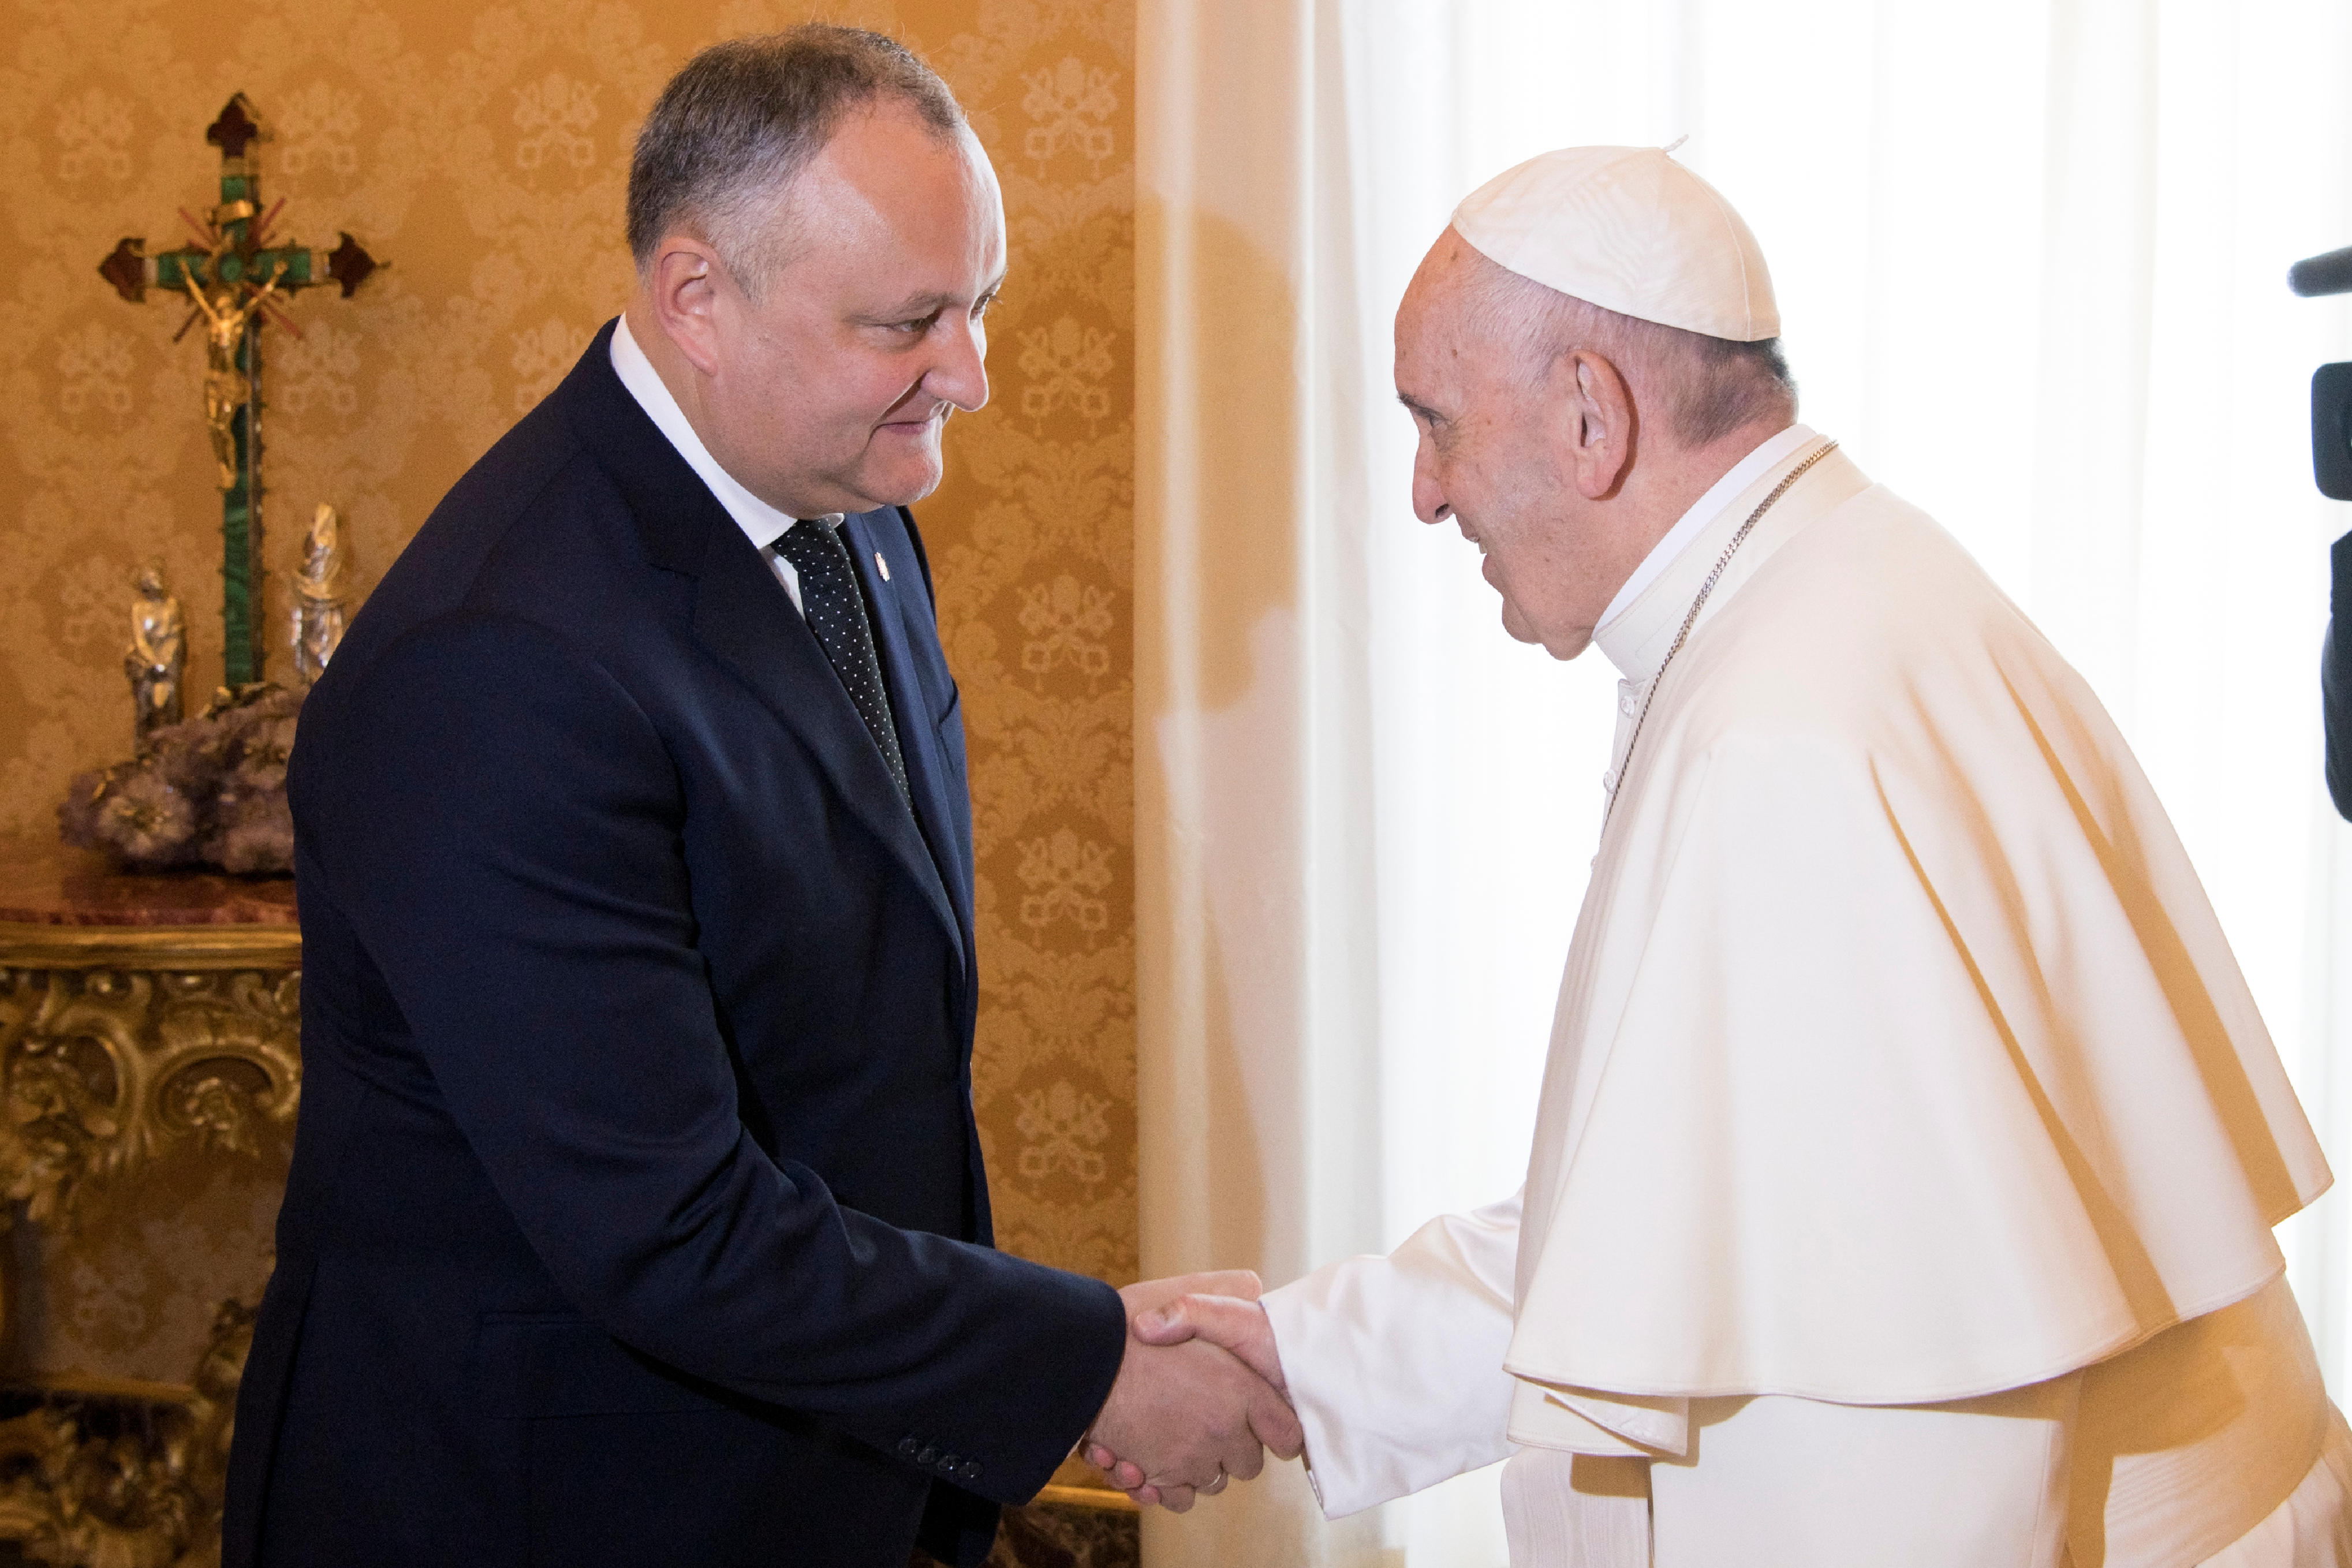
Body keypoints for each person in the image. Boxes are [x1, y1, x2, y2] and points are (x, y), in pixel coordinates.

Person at [1095, 146, 2349, 1564]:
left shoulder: (1789, 734)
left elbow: (1897, 1452)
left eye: (1437, 423)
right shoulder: (1836, 587)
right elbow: (1704, 1227)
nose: (1427, 494)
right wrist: (1306, 1354)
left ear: (1591, 415)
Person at [221, 28, 1296, 1568]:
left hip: (809, 1469)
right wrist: (1084, 1363)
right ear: (697, 299)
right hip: (547, 1503)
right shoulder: (497, 663)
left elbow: (862, 1059)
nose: (970, 376)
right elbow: (668, 1224)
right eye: (907, 322)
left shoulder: (848, 506)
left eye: (978, 305)